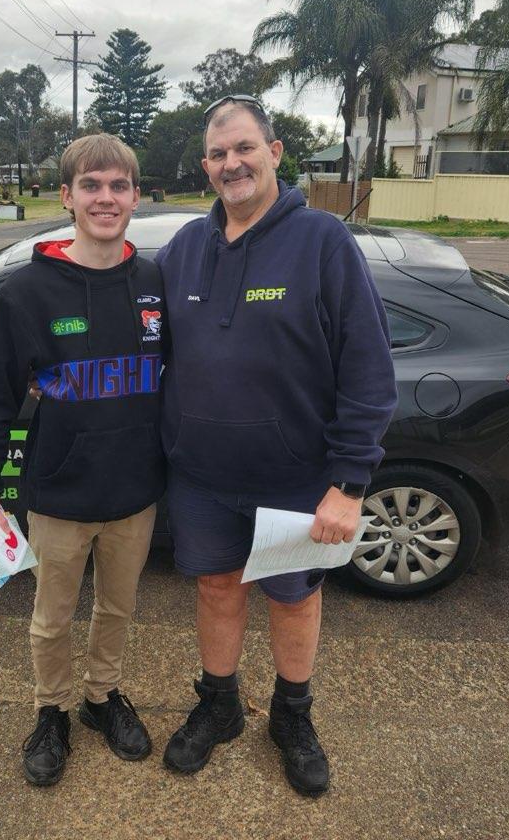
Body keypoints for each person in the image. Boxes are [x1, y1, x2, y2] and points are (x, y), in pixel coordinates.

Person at [155, 97, 397, 797]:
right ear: (206, 166)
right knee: (216, 588)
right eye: (218, 154)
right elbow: (143, 340)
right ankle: (220, 704)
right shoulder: (183, 250)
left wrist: (349, 484)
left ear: (274, 152)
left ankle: (292, 715)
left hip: (297, 477)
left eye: (244, 148)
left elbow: (368, 369)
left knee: (292, 599)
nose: (231, 163)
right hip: (201, 477)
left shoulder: (322, 240)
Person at [0, 134, 166, 786]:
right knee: (51, 620)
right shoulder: (28, 292)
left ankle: (101, 699)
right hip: (59, 492)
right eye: (91, 186)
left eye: (118, 186)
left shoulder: (155, 282)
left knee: (117, 610)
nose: (106, 198)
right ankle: (50, 711)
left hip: (136, 491)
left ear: (136, 197)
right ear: (67, 196)